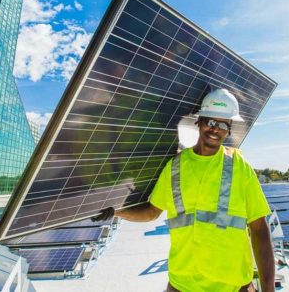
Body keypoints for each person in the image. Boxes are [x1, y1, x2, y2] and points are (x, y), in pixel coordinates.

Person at [93, 88, 275, 292]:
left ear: (229, 129)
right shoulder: (175, 167)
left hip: (233, 287)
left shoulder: (240, 166)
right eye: (211, 122)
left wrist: (269, 290)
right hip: (182, 285)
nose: (216, 129)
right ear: (199, 121)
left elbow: (260, 231)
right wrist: (116, 211)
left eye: (223, 124)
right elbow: (152, 212)